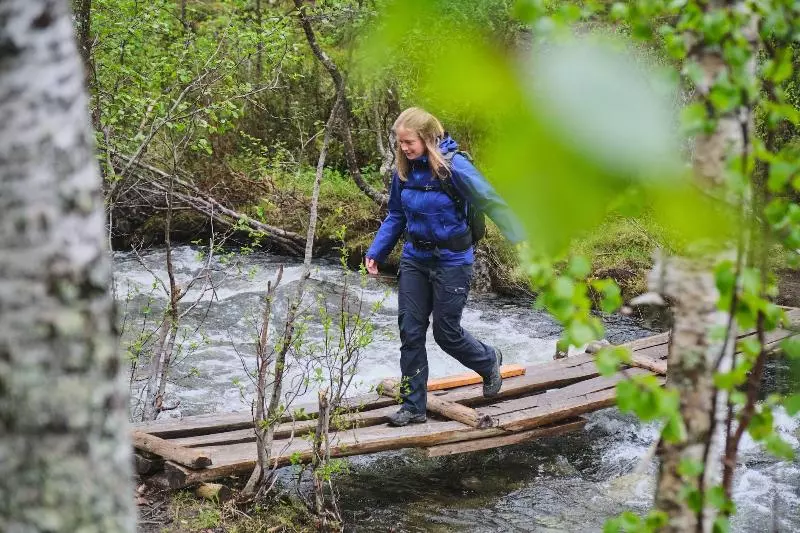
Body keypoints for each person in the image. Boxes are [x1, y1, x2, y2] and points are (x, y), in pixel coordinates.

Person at [365, 107, 526, 427]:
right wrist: (377, 250)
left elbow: (490, 200)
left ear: (426, 138)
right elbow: (396, 214)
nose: (404, 149)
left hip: (452, 260)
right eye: (400, 143)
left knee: (446, 333)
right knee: (410, 332)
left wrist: (518, 237)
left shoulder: (454, 166)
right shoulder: (404, 171)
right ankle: (413, 407)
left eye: (408, 142)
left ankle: (488, 359)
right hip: (414, 259)